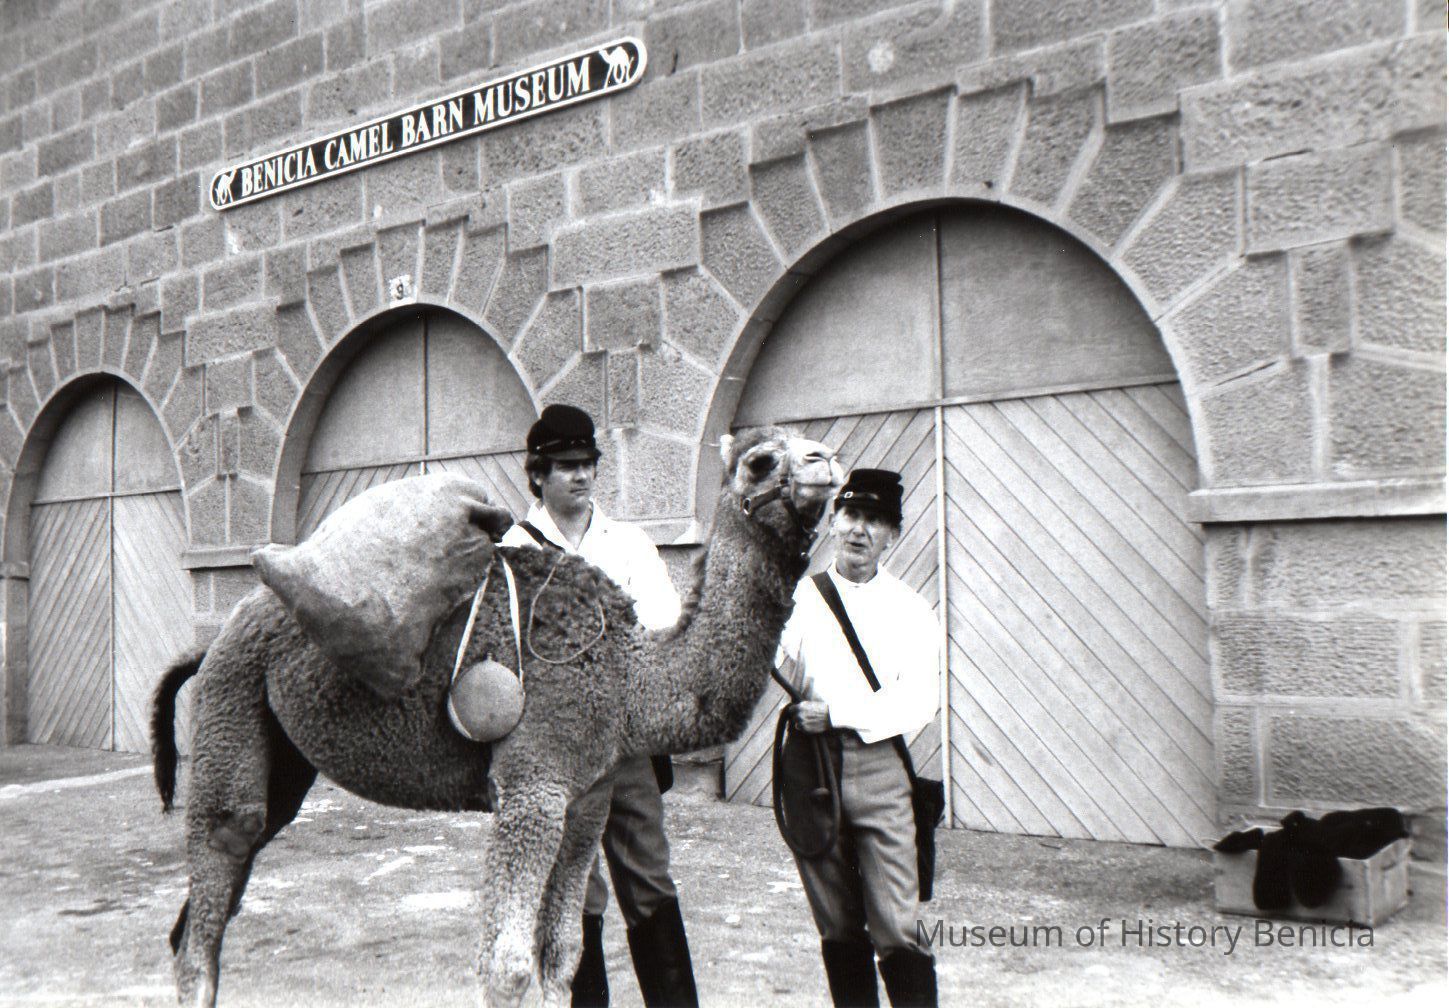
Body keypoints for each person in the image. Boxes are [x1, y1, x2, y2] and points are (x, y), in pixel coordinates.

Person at [499, 403, 697, 1008]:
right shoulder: (513, 550)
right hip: (555, 753)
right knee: (572, 889)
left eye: (588, 463)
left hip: (624, 741)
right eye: (566, 466)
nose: (581, 475)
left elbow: (662, 623)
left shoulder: (628, 543)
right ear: (538, 474)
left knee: (649, 878)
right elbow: (507, 647)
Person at [774, 468, 941, 1008]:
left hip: (879, 770)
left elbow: (920, 700)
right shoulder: (799, 599)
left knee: (897, 922)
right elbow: (767, 657)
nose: (859, 530)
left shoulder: (911, 609)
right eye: (850, 515)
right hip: (810, 770)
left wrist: (837, 713)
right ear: (834, 521)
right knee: (837, 921)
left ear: (892, 534)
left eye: (874, 520)